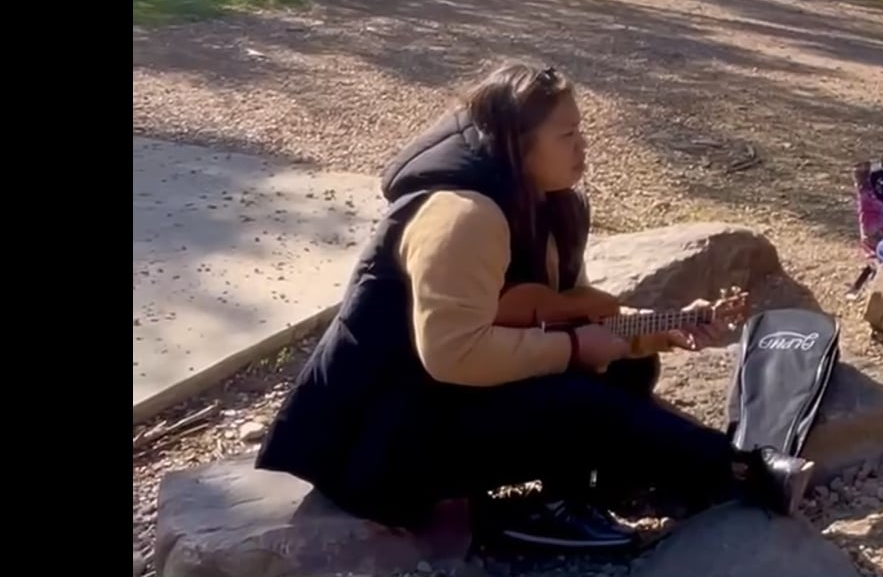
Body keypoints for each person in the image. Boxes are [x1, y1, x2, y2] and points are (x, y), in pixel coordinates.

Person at [254, 63, 813, 549]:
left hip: (445, 400)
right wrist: (572, 348)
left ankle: (595, 489)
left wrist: (660, 330)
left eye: (581, 131)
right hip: (377, 444)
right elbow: (452, 354)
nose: (583, 146)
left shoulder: (548, 206)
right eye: (567, 134)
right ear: (518, 145)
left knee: (629, 365)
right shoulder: (461, 216)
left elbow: (563, 314)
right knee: (578, 400)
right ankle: (741, 471)